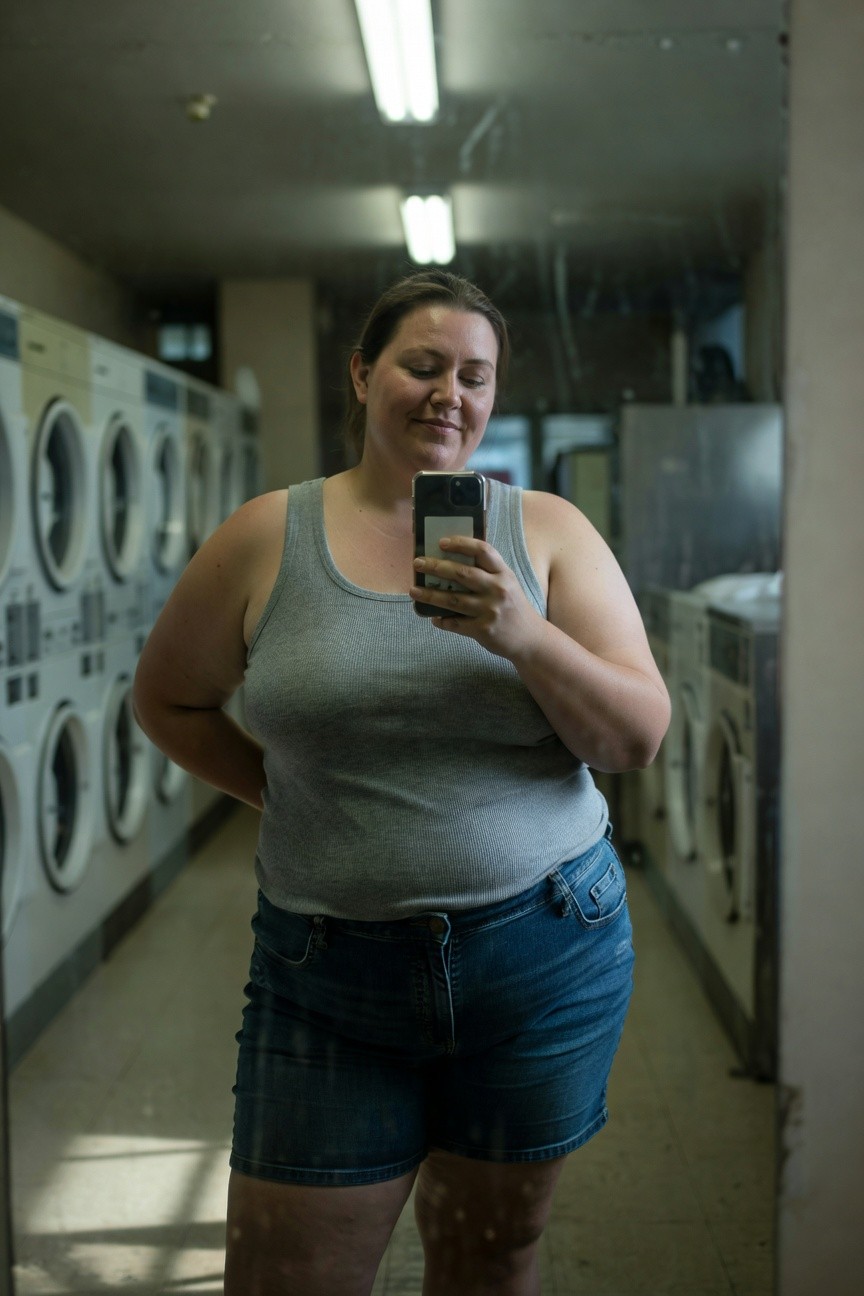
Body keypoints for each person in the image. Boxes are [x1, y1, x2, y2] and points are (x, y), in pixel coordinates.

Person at [133, 269, 671, 1296]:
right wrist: (289, 798)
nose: (450, 395)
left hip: (543, 957)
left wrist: (521, 633)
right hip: (328, 973)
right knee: (286, 1275)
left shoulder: (548, 532)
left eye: (476, 375)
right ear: (362, 372)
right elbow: (169, 703)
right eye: (423, 366)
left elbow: (637, 737)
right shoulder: (265, 535)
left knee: (492, 1258)